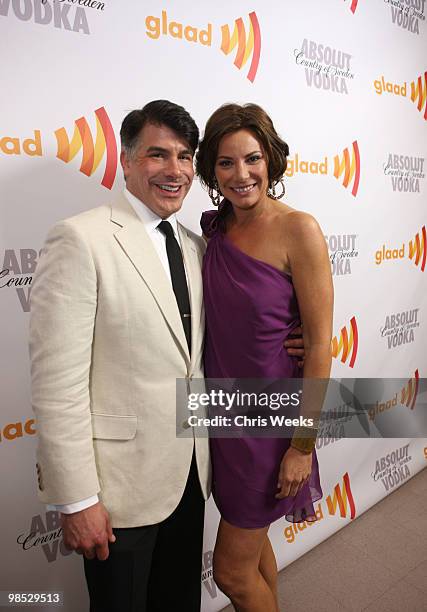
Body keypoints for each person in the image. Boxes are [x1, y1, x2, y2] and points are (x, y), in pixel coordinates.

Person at [29, 99, 306, 612]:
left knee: (177, 601)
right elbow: (56, 384)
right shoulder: (81, 238)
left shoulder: (197, 244)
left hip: (191, 470)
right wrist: (77, 499)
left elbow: (229, 333)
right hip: (118, 489)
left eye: (184, 156)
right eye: (158, 155)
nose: (174, 170)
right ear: (127, 161)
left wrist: (299, 338)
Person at [196, 103, 333, 612]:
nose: (241, 174)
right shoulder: (214, 231)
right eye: (226, 163)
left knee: (231, 572)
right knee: (253, 554)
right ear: (212, 169)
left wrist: (301, 445)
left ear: (270, 160)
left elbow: (320, 345)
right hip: (222, 417)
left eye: (252, 159)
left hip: (271, 426)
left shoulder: (300, 229)